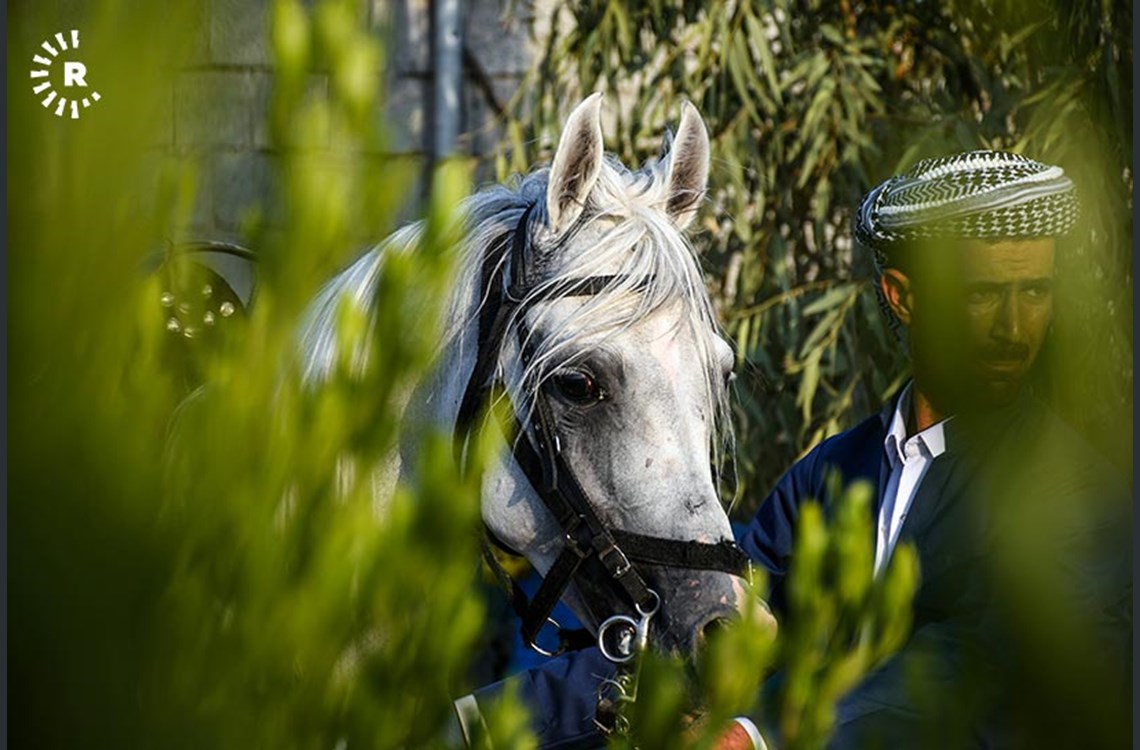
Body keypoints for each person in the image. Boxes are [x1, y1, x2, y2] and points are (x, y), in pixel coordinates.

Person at [452, 151, 1132, 749]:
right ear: (904, 297)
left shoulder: (1079, 495)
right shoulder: (831, 475)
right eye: (985, 295)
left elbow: (971, 669)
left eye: (1035, 293)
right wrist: (476, 725)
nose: (1014, 328)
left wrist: (753, 737)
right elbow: (710, 636)